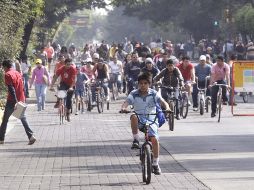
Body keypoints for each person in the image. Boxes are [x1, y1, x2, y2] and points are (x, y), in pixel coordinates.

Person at [121, 72, 170, 175]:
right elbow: (126, 102)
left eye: (145, 83)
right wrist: (123, 108)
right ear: (138, 84)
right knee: (133, 115)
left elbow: (163, 102)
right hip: (139, 119)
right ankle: (136, 139)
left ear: (149, 84)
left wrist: (168, 108)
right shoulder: (133, 93)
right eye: (141, 83)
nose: (142, 85)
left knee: (155, 140)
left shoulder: (154, 93)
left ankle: (155, 164)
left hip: (152, 120)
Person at [0, 60, 36, 145]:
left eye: (3, 67)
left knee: (5, 119)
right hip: (21, 98)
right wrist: (23, 98)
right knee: (22, 118)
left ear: (5, 67)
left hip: (12, 101)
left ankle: (1, 139)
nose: (3, 69)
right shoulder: (17, 73)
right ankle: (31, 136)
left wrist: (15, 101)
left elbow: (11, 89)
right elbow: (23, 86)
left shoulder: (8, 74)